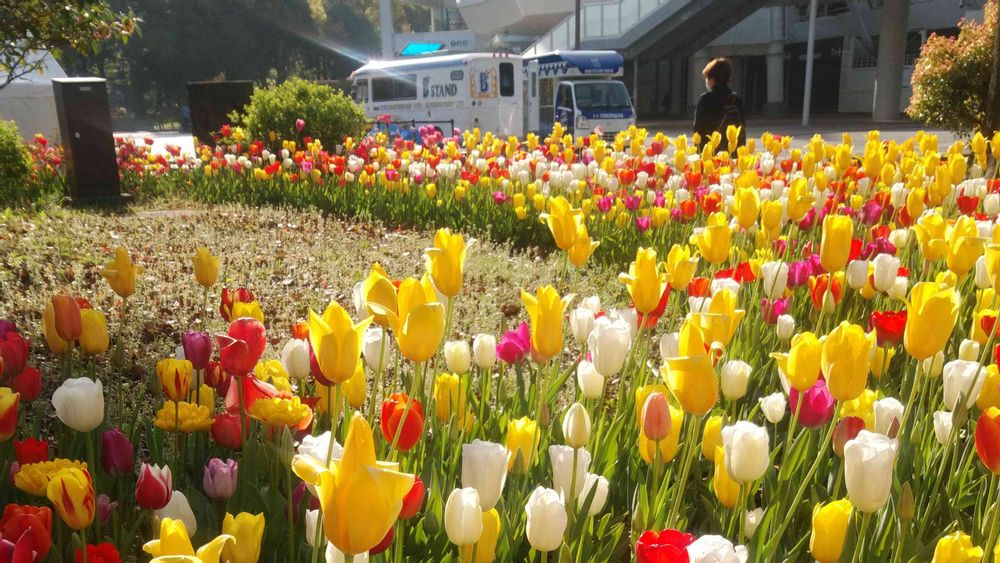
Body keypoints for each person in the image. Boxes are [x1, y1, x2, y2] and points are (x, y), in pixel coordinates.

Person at [693, 57, 746, 150]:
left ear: (712, 78)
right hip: (731, 151)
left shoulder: (705, 99)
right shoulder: (736, 99)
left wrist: (700, 153)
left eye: (707, 77)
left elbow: (698, 130)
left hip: (711, 151)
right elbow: (741, 128)